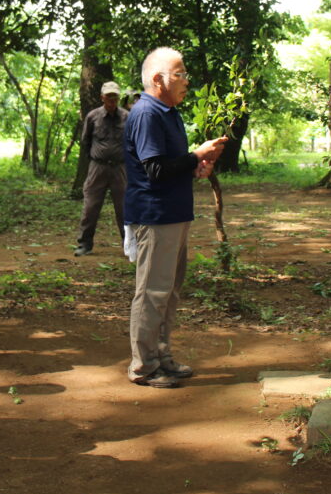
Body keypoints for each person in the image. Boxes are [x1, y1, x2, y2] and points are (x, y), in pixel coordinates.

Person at [124, 48, 226, 388]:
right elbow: (153, 170)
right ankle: (144, 366)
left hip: (174, 213)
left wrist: (195, 166)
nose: (186, 80)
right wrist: (196, 154)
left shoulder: (168, 112)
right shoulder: (146, 113)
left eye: (184, 73)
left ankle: (162, 355)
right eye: (179, 74)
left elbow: (168, 165)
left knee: (169, 291)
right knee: (152, 292)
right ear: (158, 80)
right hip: (155, 216)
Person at [74, 81, 128, 257]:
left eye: (115, 97)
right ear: (102, 98)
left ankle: (129, 245)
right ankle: (84, 244)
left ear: (118, 98)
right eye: (109, 97)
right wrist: (98, 157)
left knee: (125, 209)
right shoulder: (93, 116)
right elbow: (85, 141)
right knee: (90, 207)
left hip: (120, 169)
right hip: (97, 168)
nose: (112, 100)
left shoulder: (127, 117)